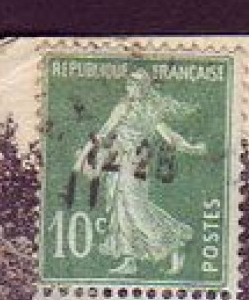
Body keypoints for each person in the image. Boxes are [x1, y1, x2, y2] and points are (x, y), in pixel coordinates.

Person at [77, 69, 208, 277]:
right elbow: (103, 133)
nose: (131, 89)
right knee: (119, 208)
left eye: (136, 85)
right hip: (117, 160)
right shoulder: (122, 108)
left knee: (137, 209)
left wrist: (191, 148)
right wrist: (83, 157)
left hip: (137, 162)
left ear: (144, 88)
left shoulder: (151, 111)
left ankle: (175, 243)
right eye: (130, 84)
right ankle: (130, 260)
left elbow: (169, 137)